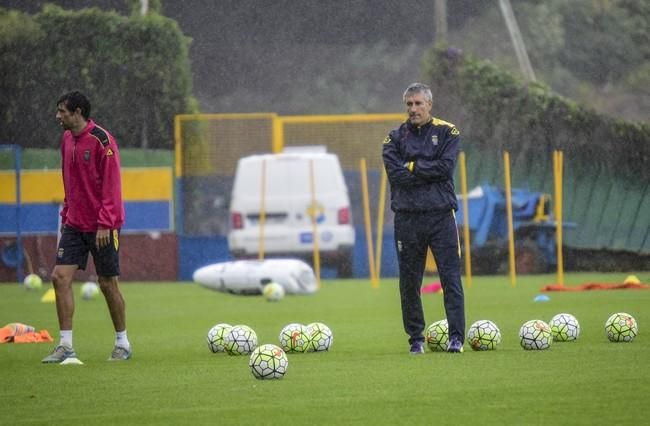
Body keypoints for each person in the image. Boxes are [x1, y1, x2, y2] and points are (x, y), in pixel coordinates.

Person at [42, 91, 131, 363]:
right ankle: (65, 346)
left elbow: (111, 186)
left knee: (107, 283)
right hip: (74, 224)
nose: (58, 116)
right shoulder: (67, 140)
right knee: (59, 277)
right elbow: (69, 180)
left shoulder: (102, 141)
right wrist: (67, 211)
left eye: (62, 111)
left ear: (78, 112)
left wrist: (106, 223)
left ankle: (123, 343)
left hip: (103, 226)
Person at [382, 83, 466, 354]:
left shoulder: (447, 132)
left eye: (418, 103)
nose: (413, 109)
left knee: (450, 278)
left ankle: (456, 338)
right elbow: (396, 175)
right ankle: (416, 339)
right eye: (409, 104)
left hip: (441, 216)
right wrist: (424, 170)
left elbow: (446, 168)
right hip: (407, 219)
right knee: (409, 282)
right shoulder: (393, 139)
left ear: (429, 104)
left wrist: (413, 166)